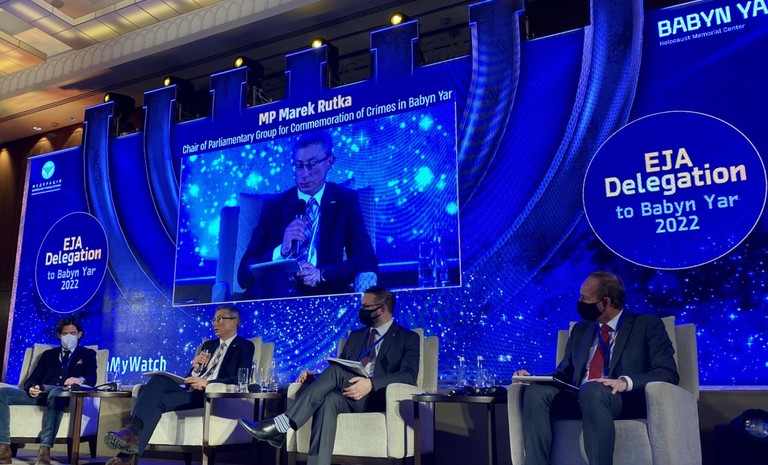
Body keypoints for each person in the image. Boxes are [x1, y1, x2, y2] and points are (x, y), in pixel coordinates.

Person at [237, 286, 419, 465]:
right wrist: (315, 378)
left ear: (382, 309)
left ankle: (281, 425)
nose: (361, 311)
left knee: (334, 376)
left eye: (365, 307)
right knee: (329, 399)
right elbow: (342, 368)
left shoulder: (407, 337)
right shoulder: (356, 336)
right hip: (349, 395)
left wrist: (371, 383)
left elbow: (408, 376)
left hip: (378, 397)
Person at [514, 271, 679, 465]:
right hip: (578, 397)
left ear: (606, 302)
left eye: (585, 298)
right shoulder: (580, 330)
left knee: (592, 390)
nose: (580, 302)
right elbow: (564, 374)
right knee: (536, 392)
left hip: (619, 400)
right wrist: (534, 379)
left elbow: (667, 373)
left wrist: (625, 382)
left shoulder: (646, 325)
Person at [103, 304, 254, 465]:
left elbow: (240, 379)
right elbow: (190, 377)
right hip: (190, 391)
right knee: (158, 380)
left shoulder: (244, 346)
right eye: (214, 319)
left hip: (210, 396)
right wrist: (195, 369)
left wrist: (208, 383)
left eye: (220, 319)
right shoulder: (208, 345)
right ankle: (131, 433)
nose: (215, 323)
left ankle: (125, 454)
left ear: (235, 321)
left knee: (156, 403)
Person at [237, 130, 378, 298]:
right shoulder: (275, 206)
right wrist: (281, 251)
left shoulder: (345, 201)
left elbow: (367, 260)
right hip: (274, 294)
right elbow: (243, 276)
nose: (304, 174)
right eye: (299, 166)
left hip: (322, 295)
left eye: (312, 164)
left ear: (329, 162)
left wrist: (322, 274)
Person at [0, 317, 97, 465]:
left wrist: (80, 379)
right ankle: (3, 448)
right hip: (41, 394)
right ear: (59, 335)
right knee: (2, 393)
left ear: (79, 334)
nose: (68, 337)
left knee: (57, 393)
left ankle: (44, 450)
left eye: (72, 333)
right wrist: (32, 387)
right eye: (65, 333)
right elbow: (32, 379)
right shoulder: (48, 355)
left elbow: (92, 378)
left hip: (64, 395)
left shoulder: (88, 354)